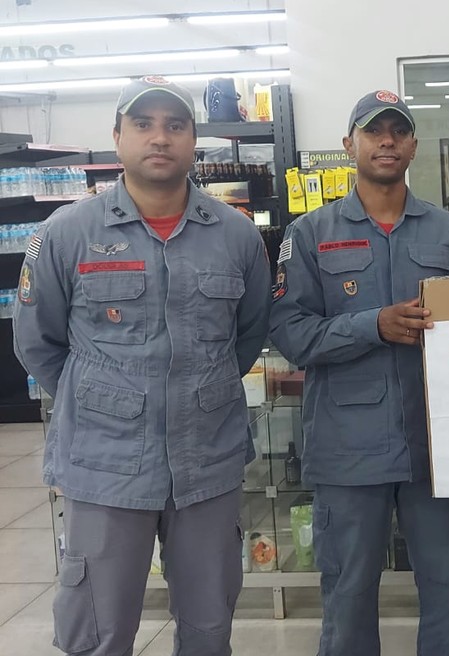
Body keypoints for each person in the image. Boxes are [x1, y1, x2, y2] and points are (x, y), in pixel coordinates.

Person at [13, 75, 271, 655]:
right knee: (98, 633)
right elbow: (39, 341)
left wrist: (193, 393)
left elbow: (249, 334)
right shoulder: (64, 235)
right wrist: (103, 398)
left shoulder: (235, 236)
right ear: (118, 137)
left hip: (206, 460)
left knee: (209, 629)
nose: (160, 137)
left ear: (193, 140)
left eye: (175, 125)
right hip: (104, 466)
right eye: (144, 124)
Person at [268, 90, 449, 656]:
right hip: (348, 447)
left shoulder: (448, 233)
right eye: (373, 130)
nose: (387, 140)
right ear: (348, 145)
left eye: (398, 131)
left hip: (435, 445)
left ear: (412, 145)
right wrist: (373, 326)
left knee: (447, 589)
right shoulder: (309, 235)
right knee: (349, 592)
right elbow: (292, 335)